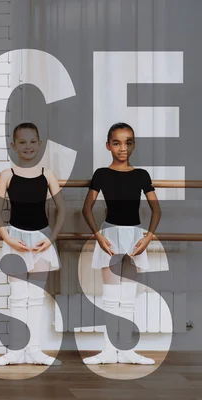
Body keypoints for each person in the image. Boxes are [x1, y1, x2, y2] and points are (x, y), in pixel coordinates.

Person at [82, 122, 160, 365]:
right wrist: (99, 236)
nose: (122, 148)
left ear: (133, 145)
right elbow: (86, 209)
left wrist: (147, 237)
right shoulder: (101, 174)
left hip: (135, 237)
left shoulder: (141, 175)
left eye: (128, 143)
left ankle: (126, 349)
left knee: (128, 295)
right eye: (117, 143)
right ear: (108, 145)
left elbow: (156, 210)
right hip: (110, 236)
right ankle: (107, 349)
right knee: (110, 295)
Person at [0, 122, 66, 366]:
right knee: (17, 296)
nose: (28, 146)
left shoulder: (47, 174)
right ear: (13, 146)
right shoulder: (7, 175)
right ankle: (15, 351)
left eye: (32, 141)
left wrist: (50, 239)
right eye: (22, 142)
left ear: (40, 143)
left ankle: (35, 350)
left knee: (36, 297)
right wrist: (9, 239)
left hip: (42, 239)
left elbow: (61, 209)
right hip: (15, 238)